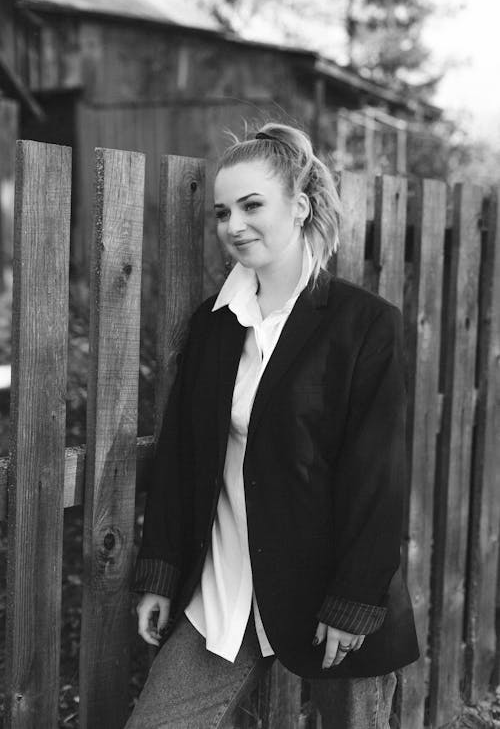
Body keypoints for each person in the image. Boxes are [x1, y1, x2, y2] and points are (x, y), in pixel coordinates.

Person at [125, 122, 420, 729]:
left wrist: (354, 603)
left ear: (300, 205)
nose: (233, 224)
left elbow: (377, 479)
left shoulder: (365, 326)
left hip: (332, 595)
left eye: (252, 205)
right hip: (224, 591)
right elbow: (183, 457)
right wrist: (160, 572)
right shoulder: (213, 324)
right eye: (221, 211)